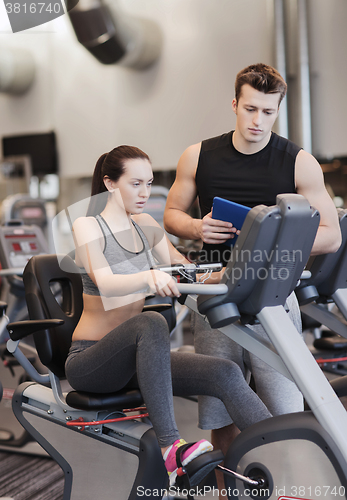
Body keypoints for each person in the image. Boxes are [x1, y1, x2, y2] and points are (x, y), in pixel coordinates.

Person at [163, 63, 342, 494]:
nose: (258, 121)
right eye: (250, 109)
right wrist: (196, 229)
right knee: (219, 410)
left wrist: (273, 241)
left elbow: (331, 235)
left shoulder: (299, 161)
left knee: (283, 407)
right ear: (234, 105)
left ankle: (291, 488)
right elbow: (170, 215)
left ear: (278, 110)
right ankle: (229, 491)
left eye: (268, 111)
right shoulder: (198, 155)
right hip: (215, 293)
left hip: (273, 293)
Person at [64, 145, 273, 488]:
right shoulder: (87, 225)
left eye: (149, 183)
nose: (145, 193)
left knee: (225, 372)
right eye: (136, 184)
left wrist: (246, 267)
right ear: (110, 183)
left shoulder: (146, 224)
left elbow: (186, 272)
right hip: (92, 361)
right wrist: (149, 276)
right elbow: (106, 283)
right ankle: (171, 450)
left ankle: (282, 448)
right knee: (151, 321)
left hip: (141, 360)